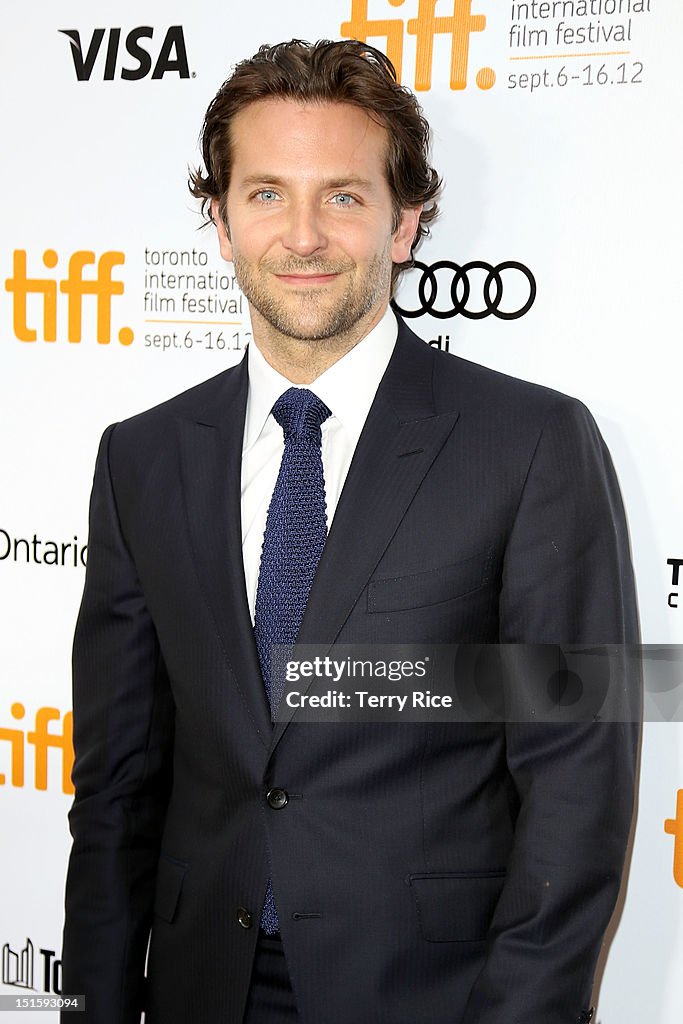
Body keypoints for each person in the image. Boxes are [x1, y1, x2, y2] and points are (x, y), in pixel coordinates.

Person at [62, 38, 639, 1024]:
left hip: (431, 995)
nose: (301, 235)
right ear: (219, 218)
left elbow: (577, 783)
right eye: (264, 194)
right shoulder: (142, 458)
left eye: (341, 195)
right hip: (203, 984)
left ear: (403, 222)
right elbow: (117, 780)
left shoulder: (532, 443)